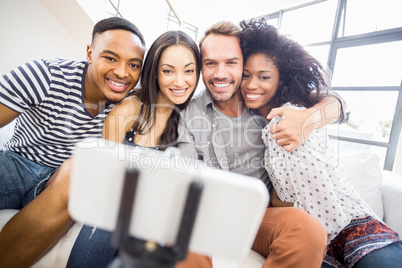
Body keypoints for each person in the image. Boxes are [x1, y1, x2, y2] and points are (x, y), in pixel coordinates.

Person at [177, 20, 349, 267]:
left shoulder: (266, 102)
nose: (220, 73)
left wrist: (308, 119)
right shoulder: (188, 113)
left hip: (257, 218)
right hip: (207, 215)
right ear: (201, 66)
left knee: (307, 229)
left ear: (242, 63)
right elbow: (184, 176)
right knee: (179, 232)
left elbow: (338, 103)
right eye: (210, 63)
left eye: (231, 63)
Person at [239, 18, 402, 268]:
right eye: (246, 75)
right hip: (312, 237)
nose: (251, 84)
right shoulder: (251, 123)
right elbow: (285, 192)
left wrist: (308, 119)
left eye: (264, 76)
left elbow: (337, 104)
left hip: (355, 225)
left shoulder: (298, 111)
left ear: (280, 80)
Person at [0, 17, 146, 267]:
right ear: (90, 53)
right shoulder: (46, 75)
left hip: (60, 183)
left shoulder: (129, 107)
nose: (122, 73)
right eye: (110, 58)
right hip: (18, 164)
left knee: (79, 170)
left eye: (134, 65)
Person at [66, 30, 212, 268]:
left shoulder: (189, 120)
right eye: (168, 71)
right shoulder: (130, 110)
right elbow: (103, 177)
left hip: (154, 214)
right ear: (154, 72)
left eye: (189, 71)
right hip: (113, 204)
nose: (179, 81)